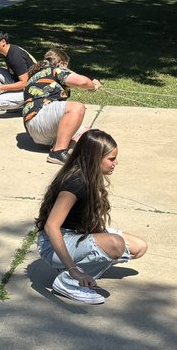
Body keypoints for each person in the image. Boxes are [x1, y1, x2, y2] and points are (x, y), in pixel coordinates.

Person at [35, 129, 147, 304]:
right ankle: (69, 282)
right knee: (115, 245)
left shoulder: (89, 177)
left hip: (77, 234)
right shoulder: (75, 184)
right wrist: (73, 270)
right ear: (95, 158)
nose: (115, 163)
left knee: (139, 247)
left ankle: (76, 266)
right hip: (53, 243)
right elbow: (51, 226)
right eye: (111, 159)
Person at [21, 48, 103, 165]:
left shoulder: (37, 76)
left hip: (37, 130)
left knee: (89, 136)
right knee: (77, 108)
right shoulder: (55, 70)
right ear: (61, 63)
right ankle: (58, 152)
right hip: (39, 117)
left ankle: (66, 148)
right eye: (67, 66)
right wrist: (93, 85)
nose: (68, 69)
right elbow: (82, 82)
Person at [0, 29, 36, 115]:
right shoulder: (8, 51)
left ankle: (26, 105)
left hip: (33, 90)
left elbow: (24, 83)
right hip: (22, 83)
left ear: (3, 42)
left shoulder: (15, 56)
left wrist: (1, 87)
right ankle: (11, 106)